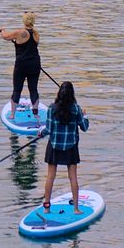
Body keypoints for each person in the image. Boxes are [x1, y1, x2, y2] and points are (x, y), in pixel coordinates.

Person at [40, 79, 89, 211]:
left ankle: (47, 208)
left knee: (51, 176)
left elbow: (48, 130)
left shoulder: (51, 108)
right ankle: (76, 209)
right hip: (71, 147)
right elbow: (84, 127)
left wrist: (40, 134)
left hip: (54, 146)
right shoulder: (76, 109)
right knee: (73, 177)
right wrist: (85, 116)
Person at [0, 12, 43, 116]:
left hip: (21, 65)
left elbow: (5, 37)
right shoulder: (36, 34)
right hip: (35, 64)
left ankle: (12, 114)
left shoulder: (20, 32)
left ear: (24, 21)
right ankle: (36, 114)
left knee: (17, 89)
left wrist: (2, 30)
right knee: (33, 89)